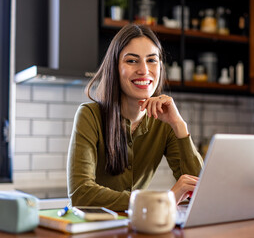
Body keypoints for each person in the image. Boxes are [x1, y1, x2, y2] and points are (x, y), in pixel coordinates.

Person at [67, 24, 203, 211]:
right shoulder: (90, 115)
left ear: (160, 67)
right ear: (115, 67)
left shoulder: (165, 123)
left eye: (152, 60)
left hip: (138, 226)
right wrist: (164, 199)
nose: (144, 70)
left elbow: (199, 190)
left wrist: (179, 125)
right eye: (132, 61)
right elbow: (81, 194)